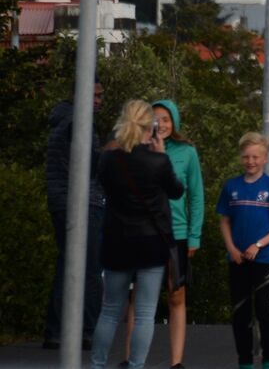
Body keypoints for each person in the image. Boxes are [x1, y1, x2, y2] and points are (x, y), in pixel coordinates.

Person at [88, 99, 184, 369]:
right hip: (151, 243)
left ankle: (97, 365)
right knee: (144, 313)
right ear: (149, 127)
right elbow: (176, 191)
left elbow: (103, 184)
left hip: (117, 241)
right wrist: (162, 154)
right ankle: (135, 366)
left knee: (109, 311)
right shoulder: (157, 162)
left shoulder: (108, 159)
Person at [122, 100, 202, 369]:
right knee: (137, 295)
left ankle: (176, 362)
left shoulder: (187, 152)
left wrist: (194, 236)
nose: (161, 124)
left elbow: (196, 196)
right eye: (156, 119)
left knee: (176, 295)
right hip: (144, 231)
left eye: (166, 119)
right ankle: (131, 358)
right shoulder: (138, 148)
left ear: (175, 121)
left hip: (176, 233)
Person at [217, 132, 269, 369]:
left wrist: (258, 245)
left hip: (266, 260)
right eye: (246, 157)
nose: (250, 161)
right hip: (237, 260)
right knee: (240, 314)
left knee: (265, 312)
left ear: (265, 158)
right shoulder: (232, 187)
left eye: (255, 157)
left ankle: (268, 360)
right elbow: (224, 221)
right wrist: (231, 247)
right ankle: (245, 361)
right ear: (241, 158)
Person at [45, 79, 105, 351]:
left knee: (66, 264)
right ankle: (89, 331)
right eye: (94, 95)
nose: (98, 101)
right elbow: (90, 165)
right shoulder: (78, 123)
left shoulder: (60, 119)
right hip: (81, 202)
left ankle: (57, 330)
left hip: (59, 199)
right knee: (91, 267)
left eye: (100, 96)